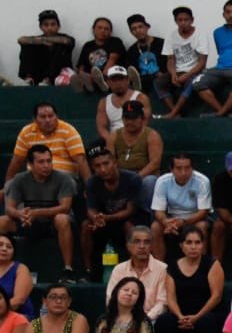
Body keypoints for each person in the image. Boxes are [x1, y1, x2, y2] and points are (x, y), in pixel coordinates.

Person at [155, 226, 224, 333]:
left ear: (203, 245)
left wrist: (197, 317)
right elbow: (170, 298)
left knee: (209, 322)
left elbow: (216, 296)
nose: (193, 247)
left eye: (197, 243)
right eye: (189, 243)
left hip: (206, 311)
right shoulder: (171, 266)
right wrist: (180, 316)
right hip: (180, 313)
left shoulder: (212, 264)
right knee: (163, 322)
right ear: (181, 246)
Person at [1, 144, 77, 280]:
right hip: (29, 222)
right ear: (30, 164)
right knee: (3, 221)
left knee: (62, 218)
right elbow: (9, 208)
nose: (46, 165)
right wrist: (21, 214)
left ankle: (68, 269)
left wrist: (36, 213)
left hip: (53, 224)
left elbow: (65, 207)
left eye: (49, 161)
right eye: (41, 162)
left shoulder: (63, 178)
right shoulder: (19, 179)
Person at [81, 146, 142, 277]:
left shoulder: (132, 179)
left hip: (124, 220)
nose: (102, 169)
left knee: (130, 227)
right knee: (86, 226)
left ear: (115, 162)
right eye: (97, 166)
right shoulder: (92, 182)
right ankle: (88, 271)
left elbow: (130, 210)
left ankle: (137, 269)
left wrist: (106, 218)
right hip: (103, 223)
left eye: (106, 163)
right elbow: (90, 209)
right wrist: (96, 218)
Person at [150, 152, 213, 264]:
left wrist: (183, 222)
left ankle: (201, 267)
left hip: (195, 218)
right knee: (155, 227)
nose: (183, 172)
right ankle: (159, 269)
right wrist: (165, 221)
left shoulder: (202, 181)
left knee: (202, 226)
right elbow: (158, 211)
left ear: (192, 168)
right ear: (172, 169)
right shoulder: (162, 181)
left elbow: (203, 212)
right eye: (179, 168)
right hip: (171, 218)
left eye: (187, 168)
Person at [6, 101, 90, 183]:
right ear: (34, 119)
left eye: (51, 116)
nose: (47, 120)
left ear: (57, 116)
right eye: (43, 117)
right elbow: (16, 161)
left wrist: (89, 187)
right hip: (34, 180)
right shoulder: (26, 132)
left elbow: (81, 161)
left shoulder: (68, 131)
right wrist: (7, 186)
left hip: (64, 180)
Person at [106, 226, 169, 321]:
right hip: (122, 319)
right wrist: (125, 319)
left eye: (146, 242)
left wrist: (145, 320)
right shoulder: (119, 269)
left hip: (152, 320)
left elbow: (162, 303)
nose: (142, 246)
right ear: (128, 246)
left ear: (151, 246)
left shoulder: (162, 269)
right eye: (137, 242)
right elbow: (111, 298)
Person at [110, 100, 163, 210]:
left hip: (143, 176)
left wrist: (136, 177)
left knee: (150, 182)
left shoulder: (152, 135)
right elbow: (110, 159)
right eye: (126, 118)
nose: (130, 122)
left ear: (142, 118)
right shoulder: (114, 135)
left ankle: (148, 216)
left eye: (134, 118)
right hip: (121, 175)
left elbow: (155, 163)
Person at [161, 6, 211, 118]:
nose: (183, 23)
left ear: (192, 20)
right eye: (180, 20)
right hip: (178, 71)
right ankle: (175, 111)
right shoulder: (171, 35)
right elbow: (170, 59)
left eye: (186, 19)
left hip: (195, 71)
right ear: (176, 21)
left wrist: (187, 75)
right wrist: (173, 74)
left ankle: (173, 113)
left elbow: (202, 62)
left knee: (191, 82)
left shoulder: (200, 34)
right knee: (159, 82)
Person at [17, 9, 75, 85]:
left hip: (58, 77)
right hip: (39, 76)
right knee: (28, 45)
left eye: (53, 24)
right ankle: (29, 79)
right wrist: (41, 41)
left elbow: (67, 41)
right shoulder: (37, 39)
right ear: (41, 27)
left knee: (60, 46)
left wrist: (44, 40)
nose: (49, 28)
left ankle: (48, 79)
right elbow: (21, 40)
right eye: (46, 25)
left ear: (58, 26)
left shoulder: (66, 38)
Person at [95, 64, 150, 143]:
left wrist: (131, 139)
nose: (118, 83)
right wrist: (111, 140)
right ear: (108, 82)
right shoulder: (104, 102)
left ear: (127, 80)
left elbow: (144, 123)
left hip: (136, 138)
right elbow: (101, 127)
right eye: (114, 80)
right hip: (113, 139)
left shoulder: (140, 98)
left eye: (121, 79)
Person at [70, 17, 126, 94]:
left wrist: (102, 76)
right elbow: (81, 66)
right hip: (92, 75)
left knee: (107, 73)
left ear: (110, 32)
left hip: (109, 75)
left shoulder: (115, 41)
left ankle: (96, 83)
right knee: (82, 75)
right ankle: (88, 84)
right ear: (93, 30)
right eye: (99, 28)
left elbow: (112, 59)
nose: (102, 31)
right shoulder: (88, 45)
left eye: (106, 29)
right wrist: (81, 74)